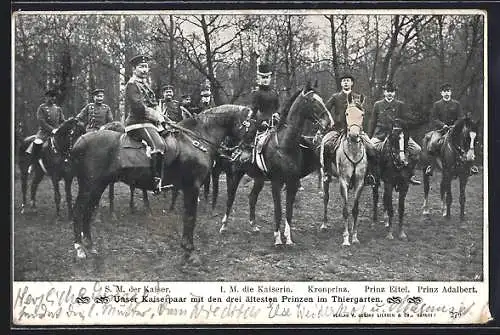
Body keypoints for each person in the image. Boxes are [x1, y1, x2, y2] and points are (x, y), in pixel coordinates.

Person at [323, 73, 376, 185]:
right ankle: (327, 173)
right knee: (326, 145)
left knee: (371, 148)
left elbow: (363, 113)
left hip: (355, 130)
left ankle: (369, 174)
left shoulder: (358, 98)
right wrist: (330, 120)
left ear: (352, 83)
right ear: (341, 83)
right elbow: (325, 110)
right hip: (339, 129)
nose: (346, 82)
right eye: (344, 81)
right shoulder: (335, 97)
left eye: (348, 80)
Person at [125, 54, 166, 194]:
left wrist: (161, 115)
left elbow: (153, 103)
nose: (144, 70)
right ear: (134, 69)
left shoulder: (145, 85)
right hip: (137, 123)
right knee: (158, 145)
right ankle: (155, 181)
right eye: (141, 67)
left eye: (146, 67)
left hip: (150, 123)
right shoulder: (131, 85)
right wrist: (157, 116)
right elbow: (138, 107)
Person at [369, 82, 421, 185]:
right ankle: (372, 175)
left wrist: (401, 125)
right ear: (384, 92)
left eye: (392, 92)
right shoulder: (378, 105)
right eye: (388, 91)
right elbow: (373, 122)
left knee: (417, 149)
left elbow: (407, 120)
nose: (390, 94)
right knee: (369, 149)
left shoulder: (400, 105)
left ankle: (410, 174)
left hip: (398, 135)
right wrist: (369, 136)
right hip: (381, 134)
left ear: (395, 93)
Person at [424, 83, 478, 176]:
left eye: (448, 91)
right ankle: (431, 166)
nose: (446, 93)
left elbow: (461, 117)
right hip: (440, 130)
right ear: (441, 93)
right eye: (444, 91)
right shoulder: (437, 104)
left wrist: (454, 125)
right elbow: (434, 118)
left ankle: (470, 165)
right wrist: (443, 125)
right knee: (432, 143)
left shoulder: (456, 104)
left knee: (467, 140)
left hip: (455, 130)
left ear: (451, 92)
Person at [25, 89, 65, 171]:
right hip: (44, 133)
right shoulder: (42, 108)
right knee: (37, 143)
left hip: (56, 133)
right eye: (50, 97)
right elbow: (41, 122)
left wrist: (61, 128)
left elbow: (62, 121)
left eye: (54, 97)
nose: (52, 98)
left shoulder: (58, 109)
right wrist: (52, 130)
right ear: (46, 98)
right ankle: (32, 163)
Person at [250, 63, 280, 129]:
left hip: (274, 123)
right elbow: (254, 111)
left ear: (270, 79)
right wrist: (261, 121)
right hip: (261, 124)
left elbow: (278, 107)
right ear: (259, 79)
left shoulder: (274, 93)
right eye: (263, 78)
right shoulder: (257, 94)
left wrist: (277, 113)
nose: (265, 80)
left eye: (267, 77)